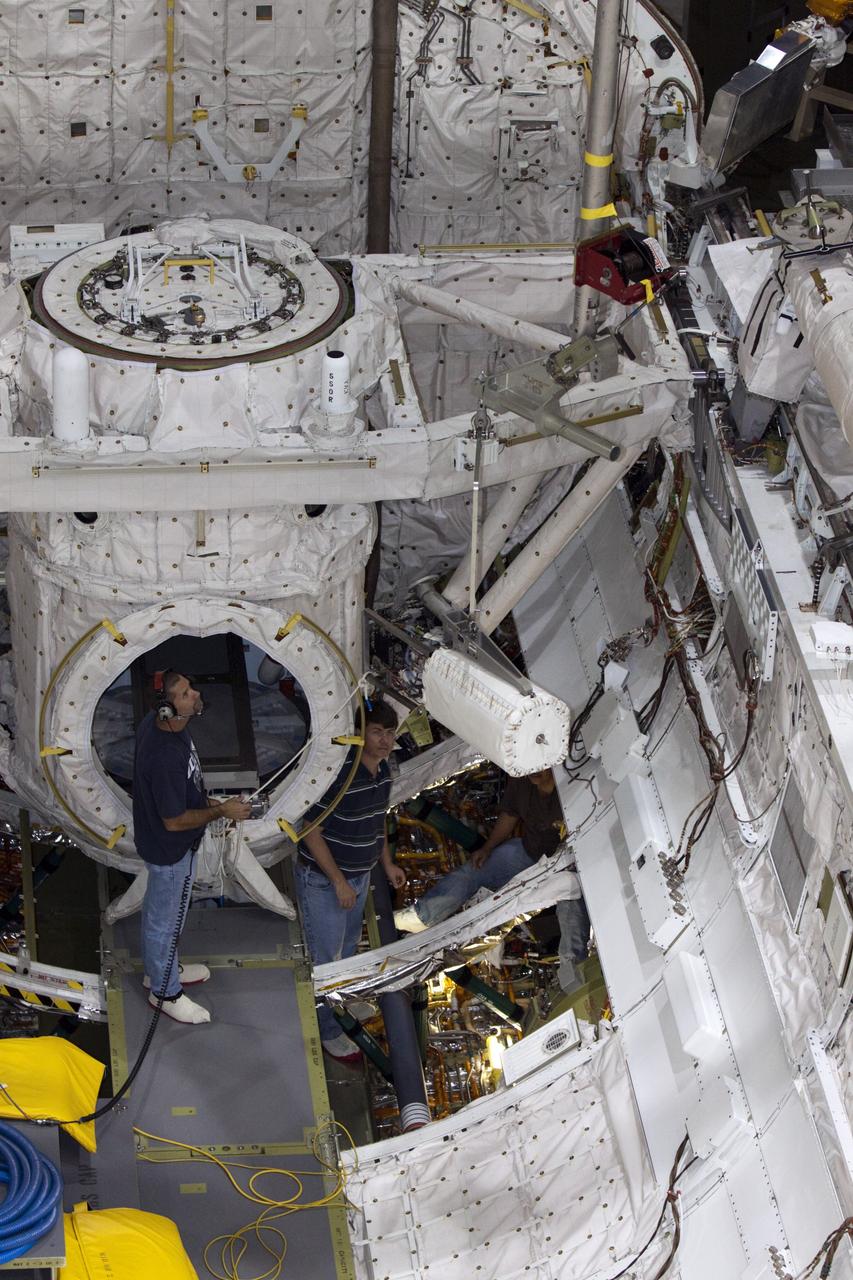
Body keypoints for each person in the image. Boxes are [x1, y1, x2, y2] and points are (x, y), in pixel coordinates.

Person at [133, 670, 252, 1025]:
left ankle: (159, 971)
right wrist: (221, 810)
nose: (195, 694)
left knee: (164, 917)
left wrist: (215, 804)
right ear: (169, 709)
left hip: (176, 847)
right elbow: (172, 820)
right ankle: (165, 993)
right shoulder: (164, 756)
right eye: (186, 693)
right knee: (165, 922)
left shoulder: (169, 728)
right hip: (170, 851)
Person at [296, 701, 406, 1063]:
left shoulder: (384, 772)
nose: (385, 741)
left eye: (389, 734)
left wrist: (386, 864)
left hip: (358, 879)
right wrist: (340, 882)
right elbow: (310, 831)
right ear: (360, 735)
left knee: (345, 951)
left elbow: (379, 821)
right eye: (377, 732)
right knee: (327, 963)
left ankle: (342, 1004)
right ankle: (327, 1030)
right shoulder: (341, 776)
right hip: (326, 884)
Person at [394, 768, 572, 931]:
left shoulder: (572, 782)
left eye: (540, 766)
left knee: (570, 911)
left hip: (566, 863)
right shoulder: (522, 779)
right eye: (531, 766)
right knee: (473, 870)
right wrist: (487, 848)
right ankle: (421, 917)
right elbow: (510, 814)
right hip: (529, 850)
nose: (534, 771)